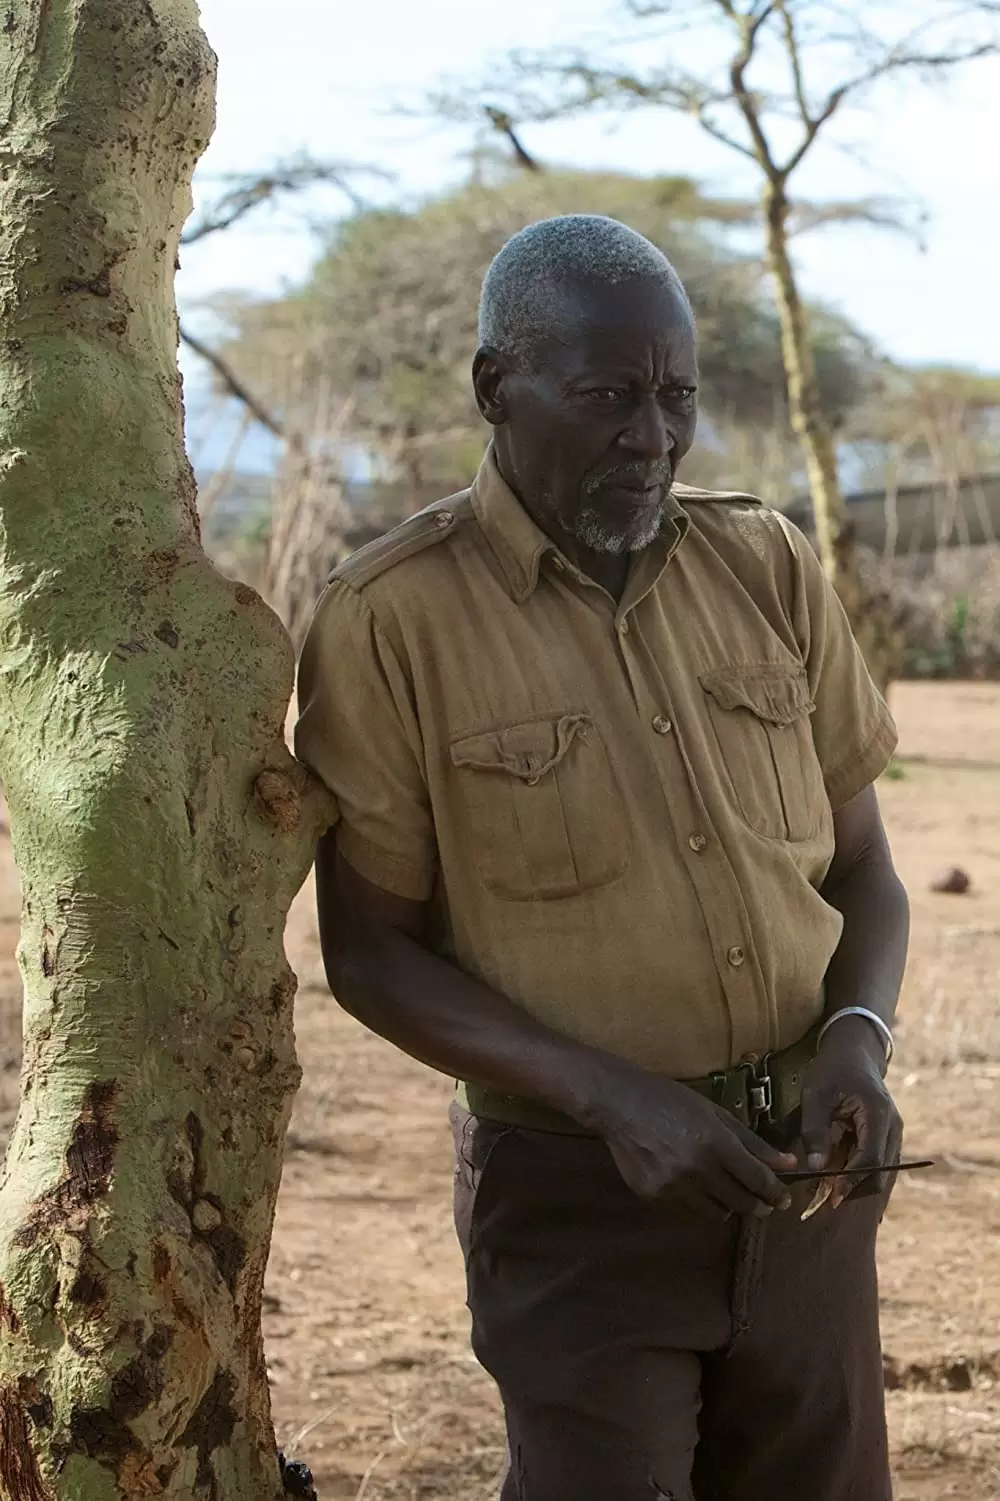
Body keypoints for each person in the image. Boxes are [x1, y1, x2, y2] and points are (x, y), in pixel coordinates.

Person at [295, 215, 909, 1501]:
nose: (653, 438)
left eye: (677, 396)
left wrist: (856, 1038)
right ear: (492, 389)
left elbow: (861, 869)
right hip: (578, 1202)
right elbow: (369, 953)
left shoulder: (766, 563)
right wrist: (611, 1098)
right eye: (607, 397)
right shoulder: (392, 619)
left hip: (804, 1181)